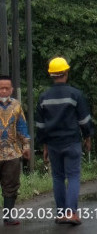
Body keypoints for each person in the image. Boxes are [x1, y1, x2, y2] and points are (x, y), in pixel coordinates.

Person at [35, 57, 93, 226]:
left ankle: (61, 214)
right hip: (71, 141)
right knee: (73, 176)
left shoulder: (44, 97)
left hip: (53, 143)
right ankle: (71, 213)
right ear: (66, 72)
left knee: (58, 177)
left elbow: (41, 125)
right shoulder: (75, 94)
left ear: (51, 75)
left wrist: (44, 144)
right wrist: (88, 137)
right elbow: (84, 120)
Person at [0, 76, 30, 226]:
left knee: (11, 185)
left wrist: (26, 146)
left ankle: (8, 216)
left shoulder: (16, 105)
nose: (4, 91)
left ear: (11, 89)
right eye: (1, 88)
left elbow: (21, 127)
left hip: (12, 152)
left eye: (7, 88)